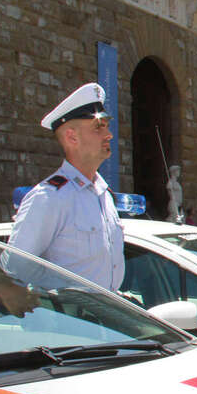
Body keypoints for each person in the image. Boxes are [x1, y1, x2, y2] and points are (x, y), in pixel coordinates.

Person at [8, 82, 125, 292]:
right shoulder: (50, 197)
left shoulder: (103, 194)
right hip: (69, 312)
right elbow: (15, 271)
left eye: (107, 126)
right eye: (99, 127)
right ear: (72, 137)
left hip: (106, 311)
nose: (109, 134)